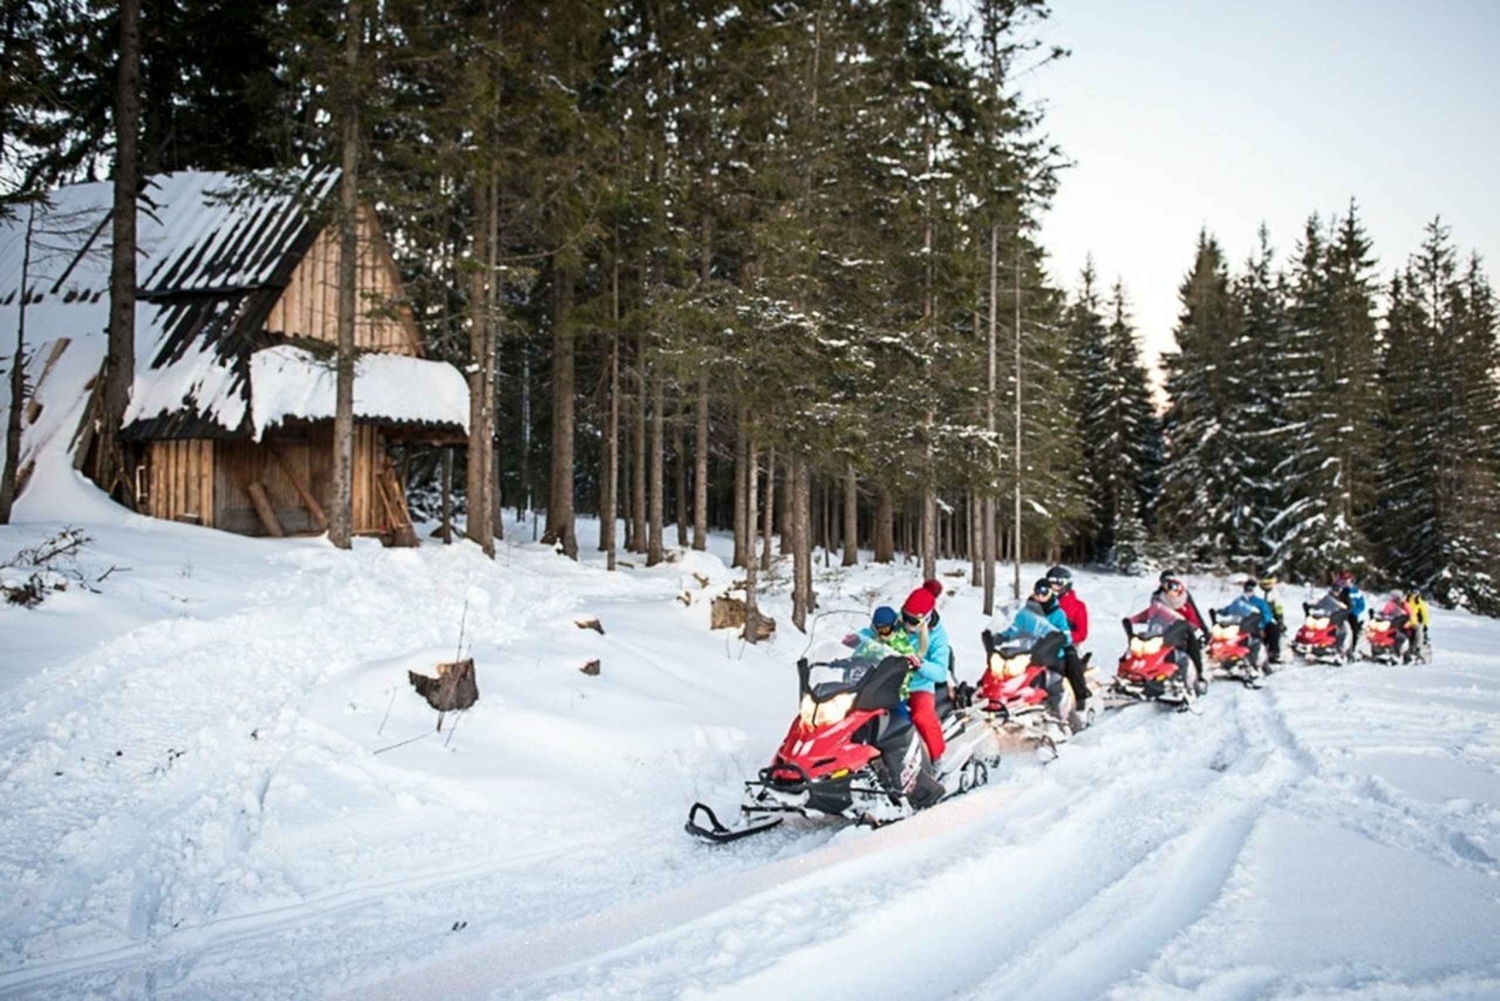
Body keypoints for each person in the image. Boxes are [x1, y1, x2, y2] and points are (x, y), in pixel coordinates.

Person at [901, 580, 951, 770]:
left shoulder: (938, 637)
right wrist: (859, 640)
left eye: (912, 621)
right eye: (905, 616)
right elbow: (879, 630)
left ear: (926, 618)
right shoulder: (900, 623)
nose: (906, 624)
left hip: (919, 686)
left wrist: (920, 664)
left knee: (922, 716)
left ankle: (937, 758)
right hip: (890, 682)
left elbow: (940, 672)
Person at [1046, 566, 1092, 723]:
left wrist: (1065, 637)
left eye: (1057, 583)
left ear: (1066, 584)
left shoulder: (1078, 606)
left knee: (1071, 661)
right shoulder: (1042, 602)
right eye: (1050, 583)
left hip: (1067, 645)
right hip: (1042, 645)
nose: (1053, 587)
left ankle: (1081, 697)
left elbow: (1082, 633)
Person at [1155, 572, 1210, 690]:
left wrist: (1204, 629)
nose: (1168, 584)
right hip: (1163, 629)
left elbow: (1194, 612)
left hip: (1184, 627)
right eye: (1165, 581)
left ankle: (1197, 676)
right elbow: (1153, 612)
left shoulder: (1183, 594)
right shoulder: (1157, 596)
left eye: (1170, 581)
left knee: (1191, 646)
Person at [1331, 570, 1367, 660]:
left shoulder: (1355, 591)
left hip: (1351, 613)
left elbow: (1361, 604)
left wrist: (1354, 611)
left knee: (1353, 628)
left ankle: (1352, 649)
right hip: (1338, 612)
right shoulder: (1337, 589)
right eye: (1342, 580)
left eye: (1347, 580)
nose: (1345, 582)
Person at [1258, 574, 1287, 664]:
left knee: (1275, 629)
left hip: (1267, 619)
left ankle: (1274, 653)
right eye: (1269, 583)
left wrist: (1280, 620)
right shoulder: (1256, 591)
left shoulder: (1274, 593)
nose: (1271, 585)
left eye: (1272, 583)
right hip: (1254, 618)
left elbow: (1278, 608)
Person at [1402, 586, 1431, 663]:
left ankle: (1417, 648)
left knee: (1419, 630)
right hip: (1404, 621)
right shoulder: (1405, 600)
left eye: (1416, 592)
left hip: (1414, 622)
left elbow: (1425, 614)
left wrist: (1425, 624)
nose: (1414, 594)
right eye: (1413, 592)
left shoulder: (1420, 602)